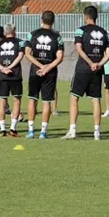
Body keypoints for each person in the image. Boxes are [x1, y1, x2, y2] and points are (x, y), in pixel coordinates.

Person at [63, 6, 109, 141]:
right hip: (97, 71)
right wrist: (99, 64)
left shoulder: (81, 30)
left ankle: (72, 130)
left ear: (85, 16)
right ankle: (97, 132)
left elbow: (79, 49)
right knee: (96, 100)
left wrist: (90, 63)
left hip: (83, 69)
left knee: (74, 98)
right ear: (96, 17)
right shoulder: (104, 32)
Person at [24, 11, 64, 139]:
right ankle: (43, 132)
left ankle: (31, 130)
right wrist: (47, 67)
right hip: (50, 73)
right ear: (53, 21)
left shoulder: (32, 34)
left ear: (41, 20)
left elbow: (27, 54)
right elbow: (60, 57)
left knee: (32, 99)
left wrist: (40, 66)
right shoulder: (57, 37)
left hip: (35, 71)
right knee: (46, 102)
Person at [0, 23, 26, 137]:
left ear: (4, 32)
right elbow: (20, 56)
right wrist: (10, 67)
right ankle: (13, 128)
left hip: (2, 76)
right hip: (15, 75)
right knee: (16, 101)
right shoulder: (20, 43)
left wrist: (3, 68)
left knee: (2, 102)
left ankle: (2, 130)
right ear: (14, 31)